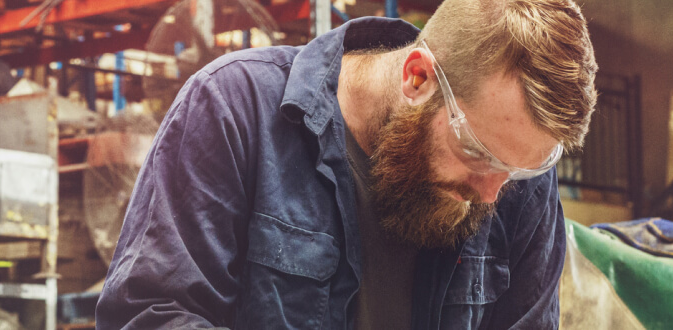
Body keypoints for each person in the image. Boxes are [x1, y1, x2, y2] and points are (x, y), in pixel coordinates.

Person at [96, 0, 598, 328]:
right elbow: (151, 314)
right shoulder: (233, 109)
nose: (491, 193)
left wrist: (505, 166)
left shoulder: (514, 176)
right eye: (476, 154)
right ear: (418, 78)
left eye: (517, 171)